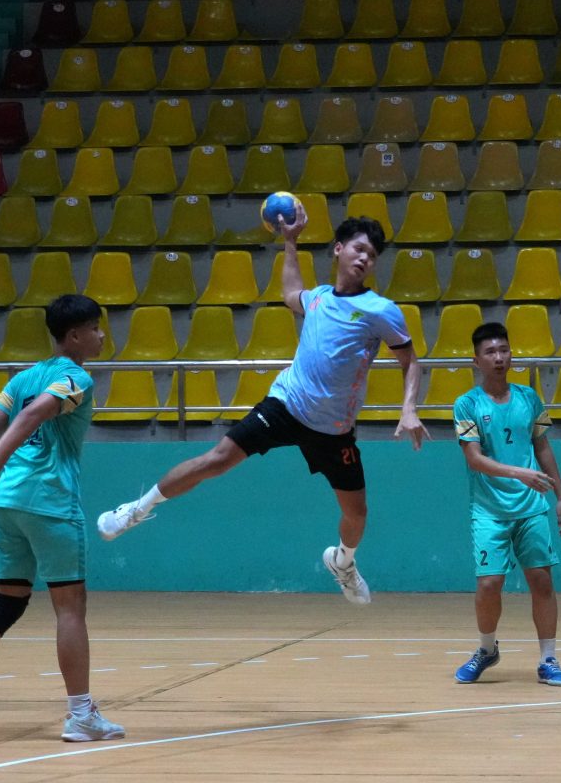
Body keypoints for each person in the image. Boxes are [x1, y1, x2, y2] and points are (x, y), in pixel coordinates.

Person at [96, 205, 430, 603]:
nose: (365, 259)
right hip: (286, 405)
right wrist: (289, 242)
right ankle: (136, 509)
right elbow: (291, 293)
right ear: (338, 250)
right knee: (216, 459)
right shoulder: (320, 298)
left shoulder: (380, 310)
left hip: (334, 428)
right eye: (359, 249)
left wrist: (408, 408)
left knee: (357, 514)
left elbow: (411, 361)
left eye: (372, 256)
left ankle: (343, 562)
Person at [0, 294, 124, 742]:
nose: (102, 335)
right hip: (49, 501)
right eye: (96, 328)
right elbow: (31, 416)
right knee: (70, 606)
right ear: (75, 336)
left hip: (7, 503)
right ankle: (81, 715)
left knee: (5, 603)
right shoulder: (75, 378)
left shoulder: (23, 376)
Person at [451, 322, 561, 687]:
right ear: (477, 360)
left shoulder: (530, 398)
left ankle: (548, 659)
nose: (499, 357)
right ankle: (487, 650)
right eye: (490, 352)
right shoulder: (466, 404)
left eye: (503, 350)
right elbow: (474, 458)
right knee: (489, 584)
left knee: (542, 581)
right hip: (489, 511)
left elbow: (543, 447)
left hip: (532, 508)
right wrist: (520, 473)